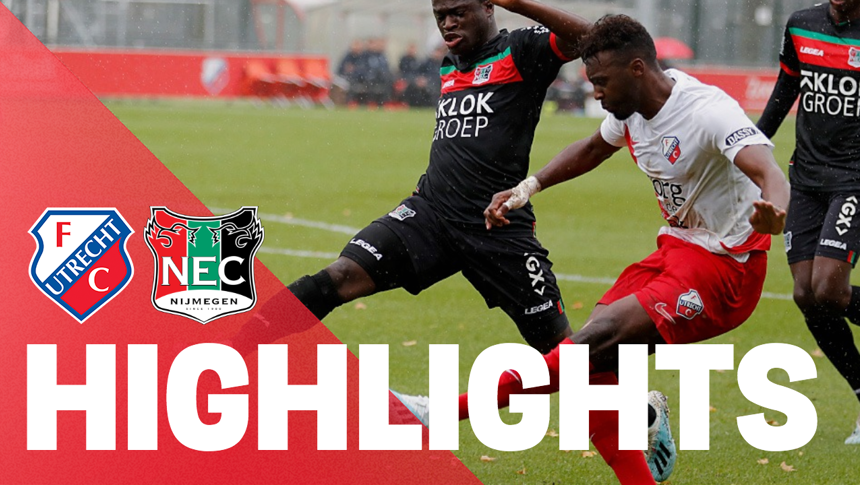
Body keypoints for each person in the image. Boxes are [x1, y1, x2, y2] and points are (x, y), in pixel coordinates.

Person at [227, 1, 673, 482]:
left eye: (458, 11)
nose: (447, 22)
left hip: (498, 227)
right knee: (340, 276)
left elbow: (595, 37)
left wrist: (517, 3)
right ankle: (231, 351)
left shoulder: (522, 51)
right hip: (429, 215)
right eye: (440, 14)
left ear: (488, 7)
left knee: (569, 358)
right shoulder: (449, 63)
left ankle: (643, 418)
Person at [396, 14, 790, 484]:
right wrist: (527, 187)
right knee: (593, 367)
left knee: (587, 345)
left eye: (601, 82)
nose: (596, 92)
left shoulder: (706, 111)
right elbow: (590, 149)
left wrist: (775, 211)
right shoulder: (630, 111)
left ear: (637, 68)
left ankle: (439, 412)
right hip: (678, 249)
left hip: (728, 269)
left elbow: (769, 170)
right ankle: (643, 436)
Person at [756, 0, 860, 445]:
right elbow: (786, 89)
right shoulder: (802, 24)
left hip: (853, 179)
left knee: (829, 289)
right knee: (806, 295)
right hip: (806, 178)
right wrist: (751, 144)